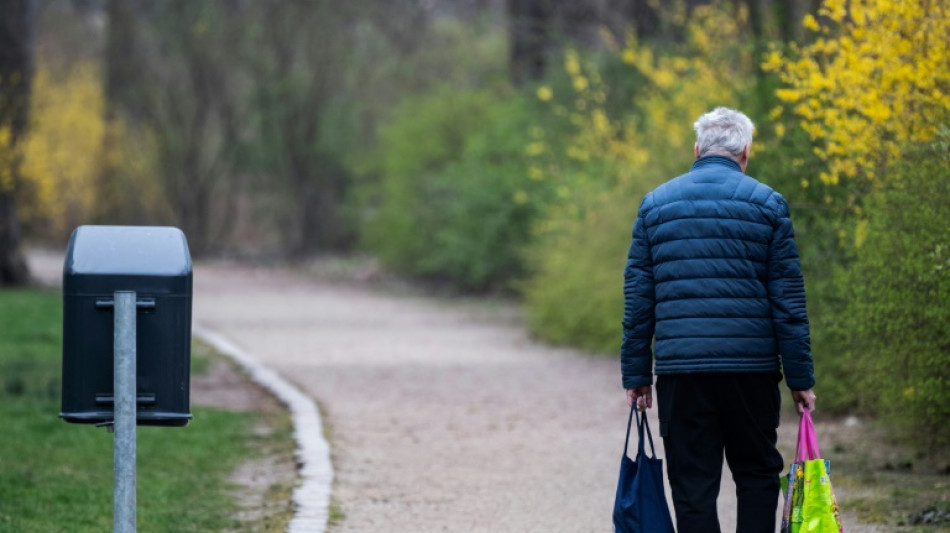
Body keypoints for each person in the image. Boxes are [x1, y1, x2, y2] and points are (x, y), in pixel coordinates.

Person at [620, 106, 816, 533]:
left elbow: (639, 298)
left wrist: (637, 374)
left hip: (682, 374)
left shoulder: (655, 205)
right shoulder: (768, 204)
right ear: (746, 151)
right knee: (758, 476)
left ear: (696, 150)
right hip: (752, 372)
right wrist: (800, 379)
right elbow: (788, 301)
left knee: (692, 485)